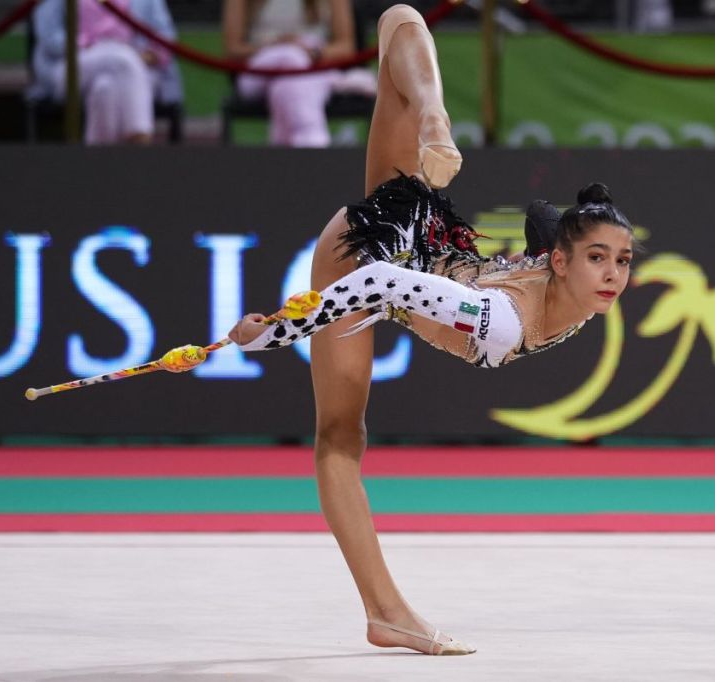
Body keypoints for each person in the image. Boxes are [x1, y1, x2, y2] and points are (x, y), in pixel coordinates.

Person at [227, 5, 636, 656]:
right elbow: (380, 283)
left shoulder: (565, 280)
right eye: (598, 258)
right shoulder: (500, 322)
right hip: (371, 252)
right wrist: (279, 330)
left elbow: (542, 220)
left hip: (431, 236)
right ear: (560, 262)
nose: (613, 274)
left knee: (399, 21)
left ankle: (430, 113)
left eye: (622, 260)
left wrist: (558, 240)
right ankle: (385, 612)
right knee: (340, 438)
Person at [31, 0, 182, 145]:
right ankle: (140, 140)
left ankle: (98, 159)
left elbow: (164, 37)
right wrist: (88, 45)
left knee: (104, 88)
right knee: (122, 58)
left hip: (137, 66)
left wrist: (147, 56)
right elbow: (49, 36)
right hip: (74, 64)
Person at [223, 0, 364, 147]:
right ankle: (313, 144)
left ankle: (287, 149)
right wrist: (275, 46)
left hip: (312, 68)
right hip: (260, 69)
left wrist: (311, 52)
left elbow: (346, 48)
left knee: (285, 86)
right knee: (290, 57)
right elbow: (233, 50)